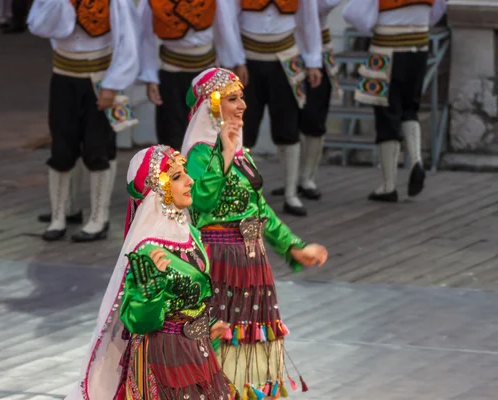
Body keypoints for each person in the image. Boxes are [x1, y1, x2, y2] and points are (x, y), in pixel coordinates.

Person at [182, 68, 328, 398]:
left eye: (241, 97)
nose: (242, 105)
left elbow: (259, 210)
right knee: (220, 335)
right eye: (232, 99)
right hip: (218, 262)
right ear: (211, 105)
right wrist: (224, 155)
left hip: (252, 265)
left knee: (252, 342)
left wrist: (294, 246)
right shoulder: (201, 153)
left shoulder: (243, 154)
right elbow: (200, 200)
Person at [63, 145, 232, 400]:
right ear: (158, 189)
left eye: (185, 172)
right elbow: (138, 322)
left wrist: (207, 324)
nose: (189, 180)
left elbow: (191, 297)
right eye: (177, 177)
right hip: (164, 358)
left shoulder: (190, 234)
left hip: (196, 352)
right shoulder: (148, 250)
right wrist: (150, 291)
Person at [27, 0, 139, 242]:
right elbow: (38, 26)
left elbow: (128, 40)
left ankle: (100, 217)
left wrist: (113, 85)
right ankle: (60, 215)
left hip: (101, 78)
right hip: (63, 76)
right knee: (62, 147)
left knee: (98, 148)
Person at [343, 0, 447, 202]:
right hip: (419, 47)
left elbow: (353, 14)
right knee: (410, 107)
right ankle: (416, 161)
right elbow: (439, 10)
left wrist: (371, 24)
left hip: (388, 48)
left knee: (387, 112)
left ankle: (388, 185)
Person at [232, 0, 323, 217]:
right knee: (242, 129)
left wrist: (313, 61)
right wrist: (235, 58)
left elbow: (309, 18)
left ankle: (291, 194)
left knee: (288, 128)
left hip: (286, 57)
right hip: (249, 59)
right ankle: (239, 195)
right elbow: (228, 17)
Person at [137, 0, 246, 151]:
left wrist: (234, 63)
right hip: (171, 73)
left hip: (208, 74)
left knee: (211, 133)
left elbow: (225, 25)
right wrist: (150, 78)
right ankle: (176, 173)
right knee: (171, 134)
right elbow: (144, 35)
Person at [271, 0, 343, 201]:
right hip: (280, 50)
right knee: (285, 117)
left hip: (315, 50)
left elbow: (327, 4)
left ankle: (307, 177)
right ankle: (290, 182)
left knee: (314, 117)